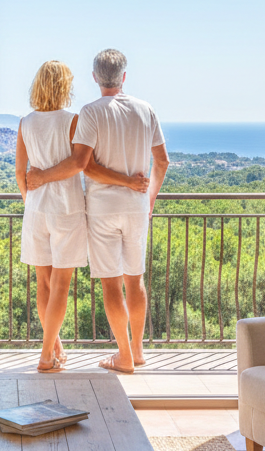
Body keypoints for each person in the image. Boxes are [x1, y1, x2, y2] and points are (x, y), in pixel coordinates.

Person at [26, 48, 169, 374]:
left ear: (94, 77)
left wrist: (121, 182)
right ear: (124, 76)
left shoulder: (90, 112)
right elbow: (162, 161)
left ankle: (123, 355)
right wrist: (148, 196)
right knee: (136, 280)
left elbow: (85, 166)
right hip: (136, 209)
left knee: (111, 284)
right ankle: (137, 350)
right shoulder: (146, 110)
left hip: (103, 209)